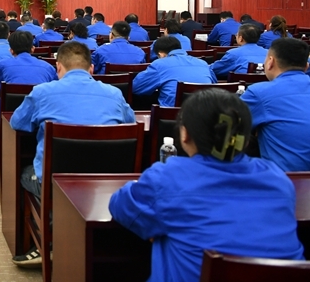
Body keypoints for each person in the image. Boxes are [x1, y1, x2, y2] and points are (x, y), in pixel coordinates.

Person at [109, 90, 304, 282]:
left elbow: (120, 205)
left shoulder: (168, 178)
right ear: (245, 138)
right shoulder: (278, 180)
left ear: (185, 134)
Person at [10, 41, 134, 267]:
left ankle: (47, 243)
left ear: (58, 67)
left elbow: (17, 123)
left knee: (25, 173)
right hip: (105, 184)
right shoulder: (115, 94)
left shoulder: (42, 92)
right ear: (91, 69)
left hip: (55, 182)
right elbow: (130, 125)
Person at [241, 38, 310, 172]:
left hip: (285, 180)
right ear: (306, 67)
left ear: (270, 62)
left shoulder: (260, 93)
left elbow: (228, 124)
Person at [0, 31, 58, 125]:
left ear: (11, 50)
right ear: (33, 49)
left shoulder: (3, 65)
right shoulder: (48, 68)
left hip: (7, 122)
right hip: (40, 122)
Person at [133, 36, 216, 108]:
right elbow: (214, 85)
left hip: (172, 118)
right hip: (206, 114)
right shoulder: (203, 63)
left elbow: (136, 88)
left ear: (161, 54)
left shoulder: (159, 64)